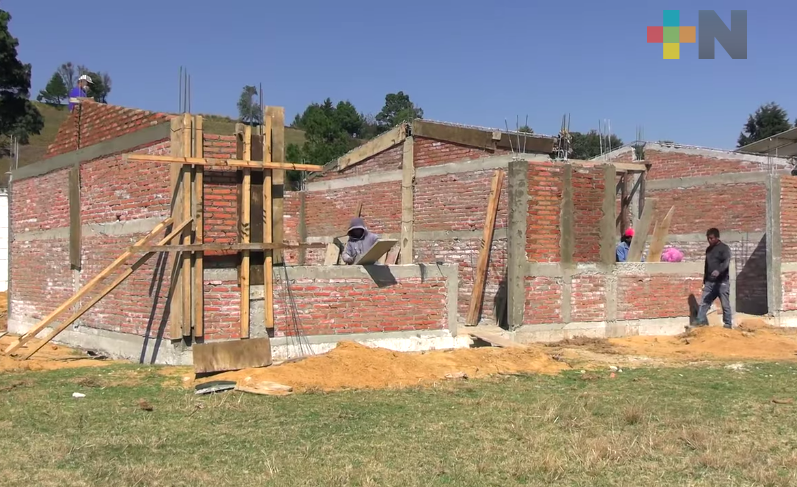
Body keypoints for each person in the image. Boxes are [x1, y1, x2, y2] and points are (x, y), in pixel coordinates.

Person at [695, 228, 732, 328]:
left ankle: (728, 324)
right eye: (708, 238)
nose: (709, 240)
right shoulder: (708, 250)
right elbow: (706, 266)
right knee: (704, 303)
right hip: (709, 283)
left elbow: (726, 262)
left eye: (711, 238)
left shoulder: (724, 248)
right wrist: (704, 281)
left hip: (722, 283)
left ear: (717, 237)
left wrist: (719, 271)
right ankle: (700, 323)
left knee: (725, 305)